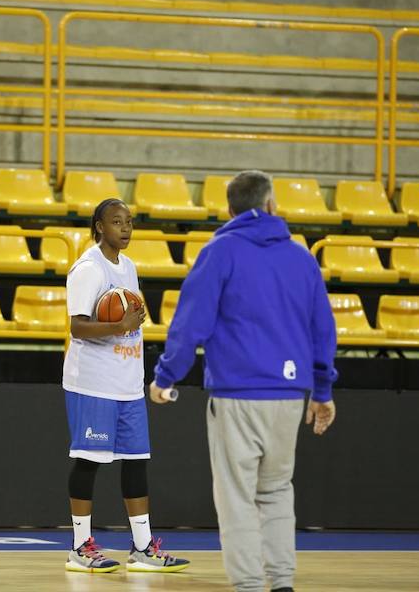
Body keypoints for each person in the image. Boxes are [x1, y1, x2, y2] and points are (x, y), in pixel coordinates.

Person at [149, 170, 337, 592]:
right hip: (289, 396)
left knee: (236, 496)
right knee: (276, 490)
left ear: (229, 209)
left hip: (236, 394)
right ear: (271, 204)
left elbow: (190, 324)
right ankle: (282, 582)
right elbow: (323, 329)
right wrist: (322, 391)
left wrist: (165, 377)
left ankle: (250, 585)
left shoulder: (219, 252)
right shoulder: (301, 257)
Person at [62, 198, 189, 574]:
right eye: (117, 222)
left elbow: (128, 321)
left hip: (128, 383)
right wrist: (119, 325)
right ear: (99, 227)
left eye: (129, 222)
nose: (126, 228)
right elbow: (77, 327)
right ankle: (80, 547)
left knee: (136, 462)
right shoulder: (88, 268)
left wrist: (129, 324)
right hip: (93, 383)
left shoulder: (129, 266)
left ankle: (143, 548)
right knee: (88, 461)